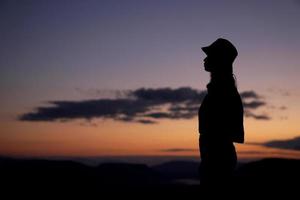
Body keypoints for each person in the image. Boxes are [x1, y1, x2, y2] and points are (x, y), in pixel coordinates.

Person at [198, 38, 244, 187]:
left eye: (210, 55)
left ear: (219, 60)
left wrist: (210, 163)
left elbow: (223, 133)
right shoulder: (221, 90)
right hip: (215, 159)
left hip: (217, 161)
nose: (205, 59)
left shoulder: (223, 92)